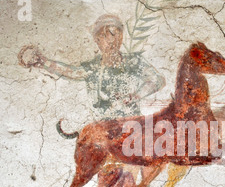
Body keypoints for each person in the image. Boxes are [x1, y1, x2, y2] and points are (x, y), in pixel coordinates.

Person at [18, 14, 165, 118]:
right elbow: (72, 72)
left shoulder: (133, 61)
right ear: (97, 40)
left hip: (130, 126)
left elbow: (157, 79)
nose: (111, 40)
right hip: (102, 130)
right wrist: (44, 62)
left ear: (121, 37)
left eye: (115, 34)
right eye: (104, 36)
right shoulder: (93, 67)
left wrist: (135, 96)